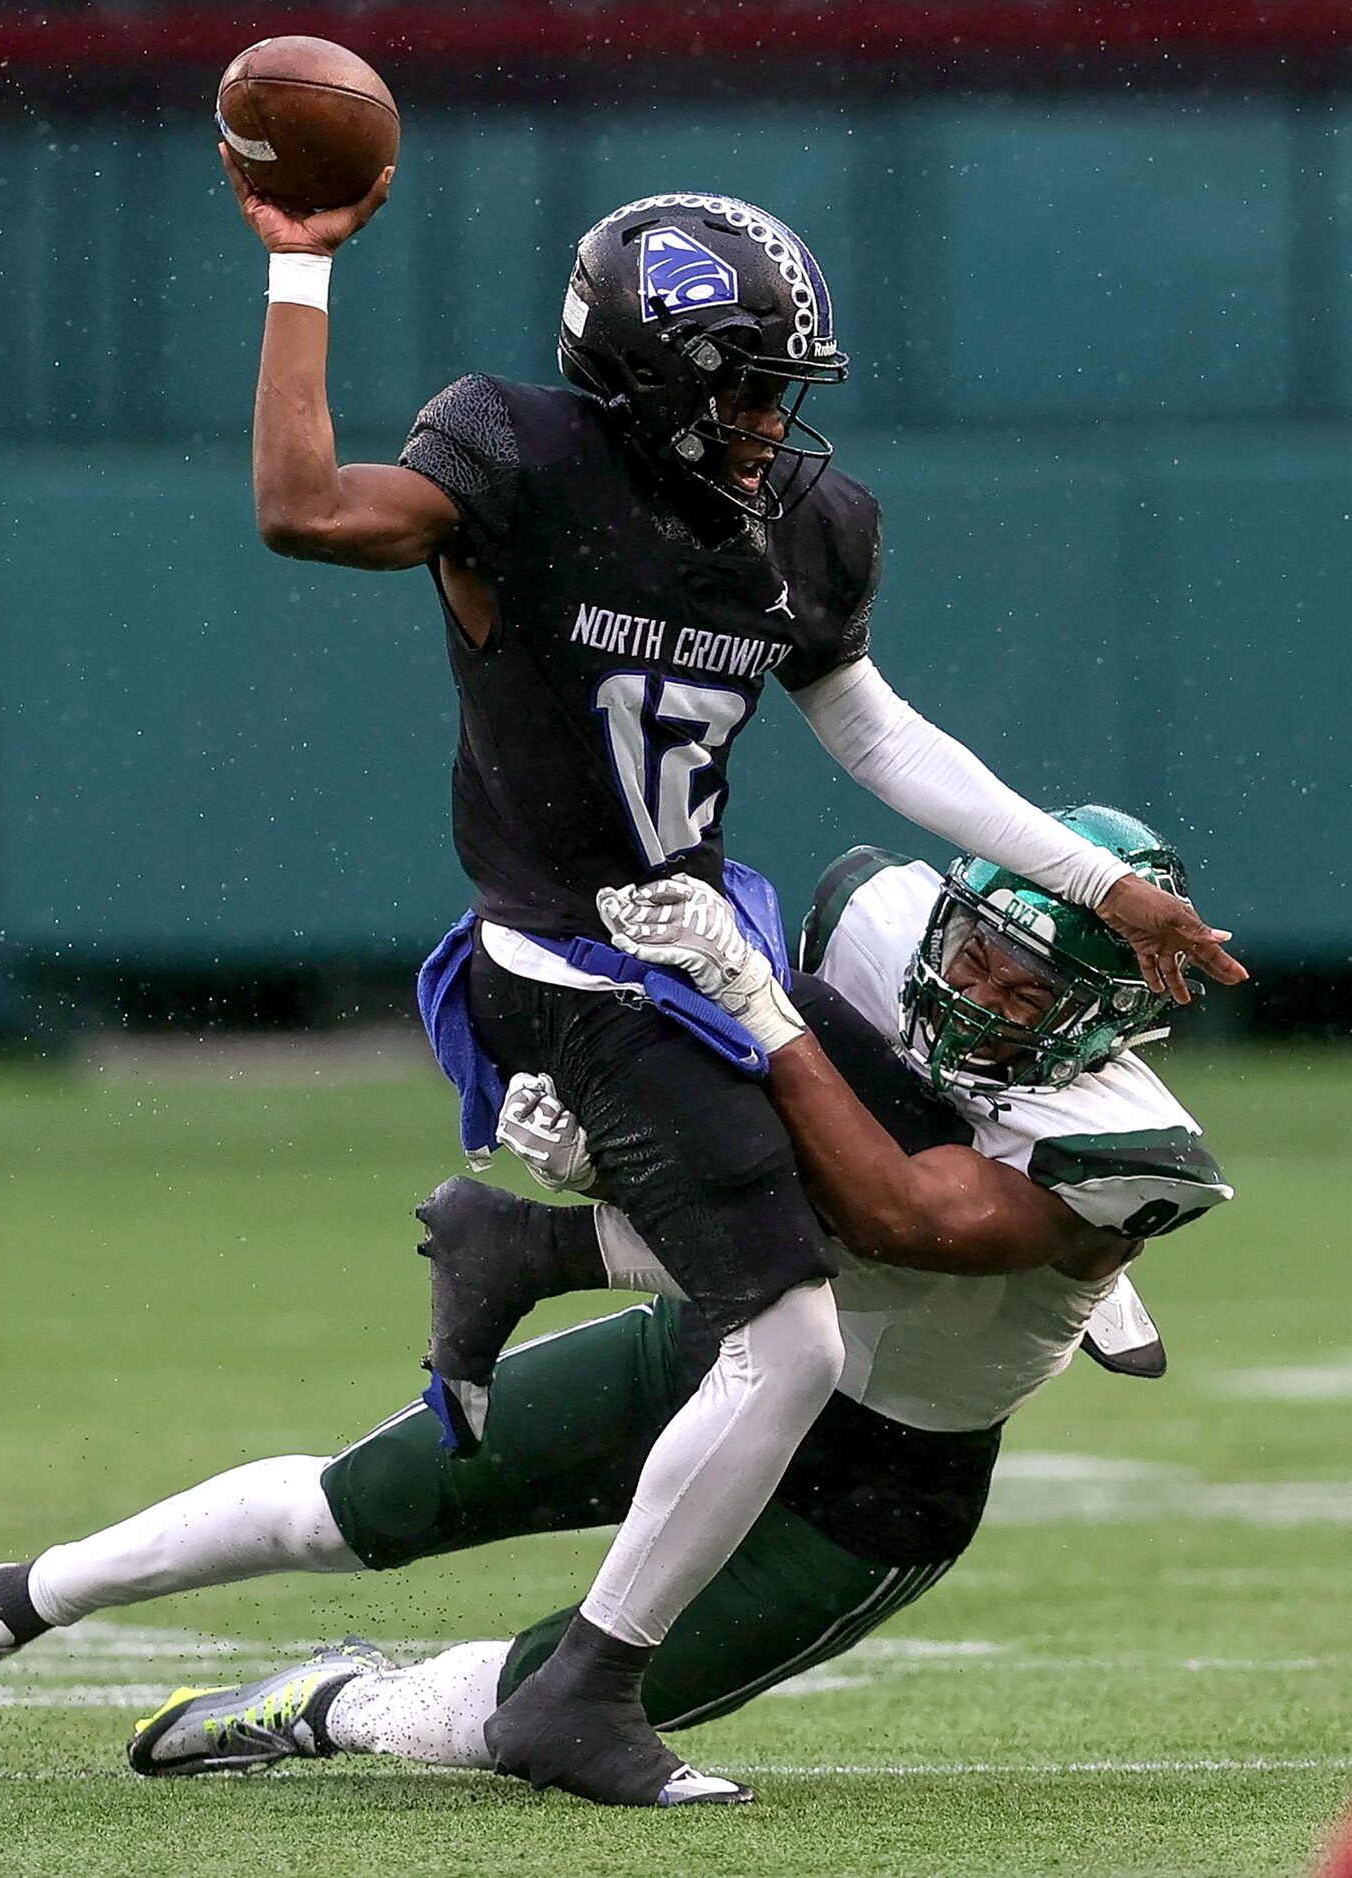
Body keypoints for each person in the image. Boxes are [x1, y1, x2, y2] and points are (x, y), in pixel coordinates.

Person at [212, 162, 1243, 1802]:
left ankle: (1036, 1235)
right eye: (748, 386)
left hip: (717, 973)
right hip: (591, 939)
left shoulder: (803, 530)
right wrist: (301, 272)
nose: (777, 419)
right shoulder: (519, 456)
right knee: (781, 1269)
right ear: (652, 379)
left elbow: (881, 731)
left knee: (850, 1136)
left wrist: (1091, 880)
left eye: (785, 387)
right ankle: (547, 1239)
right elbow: (301, 509)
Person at [0, 808, 1229, 1807]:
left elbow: (893, 1214)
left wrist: (736, 1049)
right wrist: (620, 1125)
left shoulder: (1120, 1141)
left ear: (1098, 1019)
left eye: (1022, 986)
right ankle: (16, 1598)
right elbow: (768, 1122)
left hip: (872, 1479)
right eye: (973, 950)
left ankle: (337, 1705)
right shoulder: (874, 921)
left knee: (537, 1711)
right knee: (346, 1503)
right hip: (728, 1340)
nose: (972, 989)